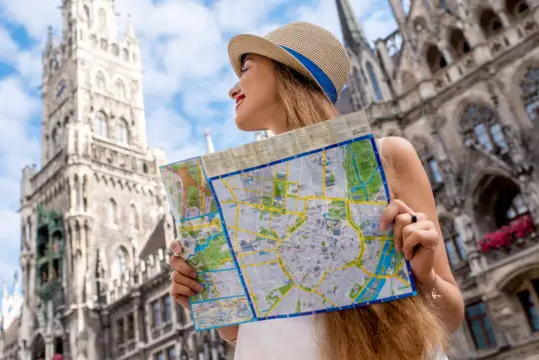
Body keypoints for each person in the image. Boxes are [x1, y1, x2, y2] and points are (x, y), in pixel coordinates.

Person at [168, 22, 464, 360]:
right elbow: (246, 334)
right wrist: (207, 295)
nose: (232, 90)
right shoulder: (231, 198)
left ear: (288, 73)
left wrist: (424, 277)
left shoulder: (387, 156)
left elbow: (451, 316)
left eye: (245, 68)